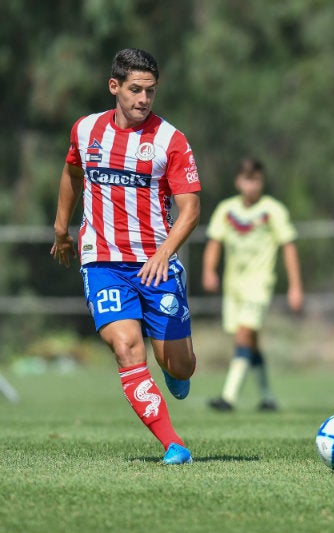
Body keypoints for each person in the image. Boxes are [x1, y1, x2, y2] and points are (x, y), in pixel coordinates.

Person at [50, 48, 200, 465]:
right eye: (135, 89)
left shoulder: (171, 140)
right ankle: (174, 444)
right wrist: (62, 230)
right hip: (102, 261)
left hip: (156, 263)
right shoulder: (85, 131)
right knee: (126, 346)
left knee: (182, 367)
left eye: (150, 91)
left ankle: (174, 368)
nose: (144, 99)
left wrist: (165, 252)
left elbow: (190, 209)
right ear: (114, 86)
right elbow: (72, 173)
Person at [202, 157, 303, 412]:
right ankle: (267, 397)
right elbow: (214, 241)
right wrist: (209, 271)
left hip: (259, 284)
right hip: (233, 285)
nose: (251, 185)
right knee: (251, 340)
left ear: (262, 181)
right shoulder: (226, 210)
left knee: (244, 334)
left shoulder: (273, 210)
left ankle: (228, 397)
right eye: (247, 180)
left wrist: (295, 286)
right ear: (238, 181)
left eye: (255, 180)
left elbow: (288, 247)